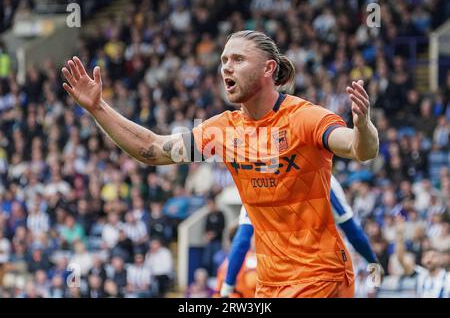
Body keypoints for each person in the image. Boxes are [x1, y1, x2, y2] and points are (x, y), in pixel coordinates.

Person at [61, 30, 379, 298]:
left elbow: (359, 148)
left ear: (269, 68)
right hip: (271, 284)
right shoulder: (222, 131)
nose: (226, 67)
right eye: (223, 60)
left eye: (237, 60)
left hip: (320, 275)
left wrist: (363, 125)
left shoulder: (304, 118)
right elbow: (152, 149)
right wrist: (98, 107)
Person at [220, 174, 382, 297]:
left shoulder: (257, 183)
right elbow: (352, 231)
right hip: (323, 270)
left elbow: (242, 241)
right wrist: (374, 263)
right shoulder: (322, 175)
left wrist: (227, 287)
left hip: (293, 274)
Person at [395, 220, 450, 298]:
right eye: (425, 256)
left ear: (441, 260)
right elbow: (401, 259)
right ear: (422, 260)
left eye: (433, 256)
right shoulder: (421, 275)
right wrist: (399, 235)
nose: (429, 259)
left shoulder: (448, 278)